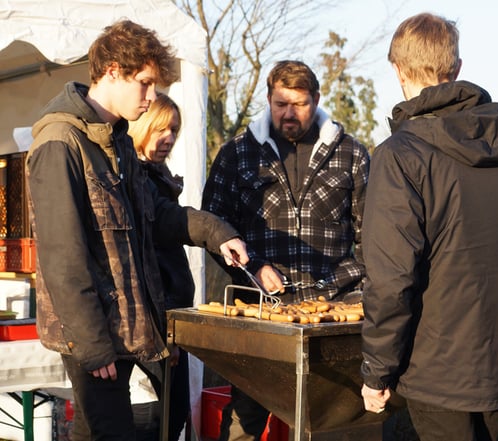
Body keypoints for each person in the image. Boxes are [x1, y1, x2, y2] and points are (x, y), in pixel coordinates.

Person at [26, 20, 249, 441]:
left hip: (130, 325)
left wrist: (220, 234)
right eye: (144, 84)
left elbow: (158, 218)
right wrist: (93, 346)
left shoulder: (119, 142)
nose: (151, 97)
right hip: (94, 335)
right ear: (112, 71)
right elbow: (62, 258)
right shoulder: (60, 142)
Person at [359, 12, 498, 441]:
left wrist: (377, 371)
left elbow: (391, 279)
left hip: (436, 368)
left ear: (397, 69)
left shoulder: (399, 154)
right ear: (457, 68)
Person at [202, 60, 370, 441]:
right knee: (245, 418)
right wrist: (253, 267)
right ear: (268, 99)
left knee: (334, 421)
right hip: (261, 311)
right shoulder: (237, 154)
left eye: (299, 104)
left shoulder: (352, 155)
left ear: (317, 99)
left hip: (334, 312)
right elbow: (214, 227)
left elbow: (373, 238)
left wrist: (341, 283)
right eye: (280, 104)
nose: (289, 114)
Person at [127, 93, 192, 440]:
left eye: (175, 130)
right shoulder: (135, 180)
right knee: (156, 417)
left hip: (170, 316)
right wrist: (163, 328)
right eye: (161, 128)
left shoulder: (159, 176)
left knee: (173, 412)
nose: (168, 137)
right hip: (152, 321)